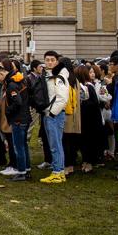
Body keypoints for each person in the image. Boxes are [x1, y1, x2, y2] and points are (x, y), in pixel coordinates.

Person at [40, 50, 70, 184]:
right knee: (55, 144)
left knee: (55, 144)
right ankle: (59, 170)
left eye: (52, 60)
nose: (50, 62)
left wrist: (52, 112)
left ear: (57, 61)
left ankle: (57, 172)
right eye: (47, 60)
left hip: (54, 115)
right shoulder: (50, 75)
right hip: (49, 114)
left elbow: (62, 98)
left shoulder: (59, 77)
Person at [0, 59, 31, 181]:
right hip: (24, 117)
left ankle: (21, 171)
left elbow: (17, 101)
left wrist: (8, 110)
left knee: (19, 146)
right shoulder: (19, 80)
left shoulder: (12, 84)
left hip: (18, 119)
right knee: (23, 145)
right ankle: (26, 169)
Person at [77, 65, 105, 173]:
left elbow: (94, 104)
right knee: (83, 142)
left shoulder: (89, 87)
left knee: (89, 142)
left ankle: (89, 162)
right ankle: (85, 161)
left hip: (90, 120)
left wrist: (82, 103)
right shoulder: (82, 86)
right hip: (84, 119)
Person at [60, 57, 82, 176]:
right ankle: (71, 165)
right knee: (72, 142)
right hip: (75, 115)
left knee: (65, 142)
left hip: (66, 115)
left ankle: (67, 166)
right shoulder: (75, 80)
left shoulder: (65, 80)